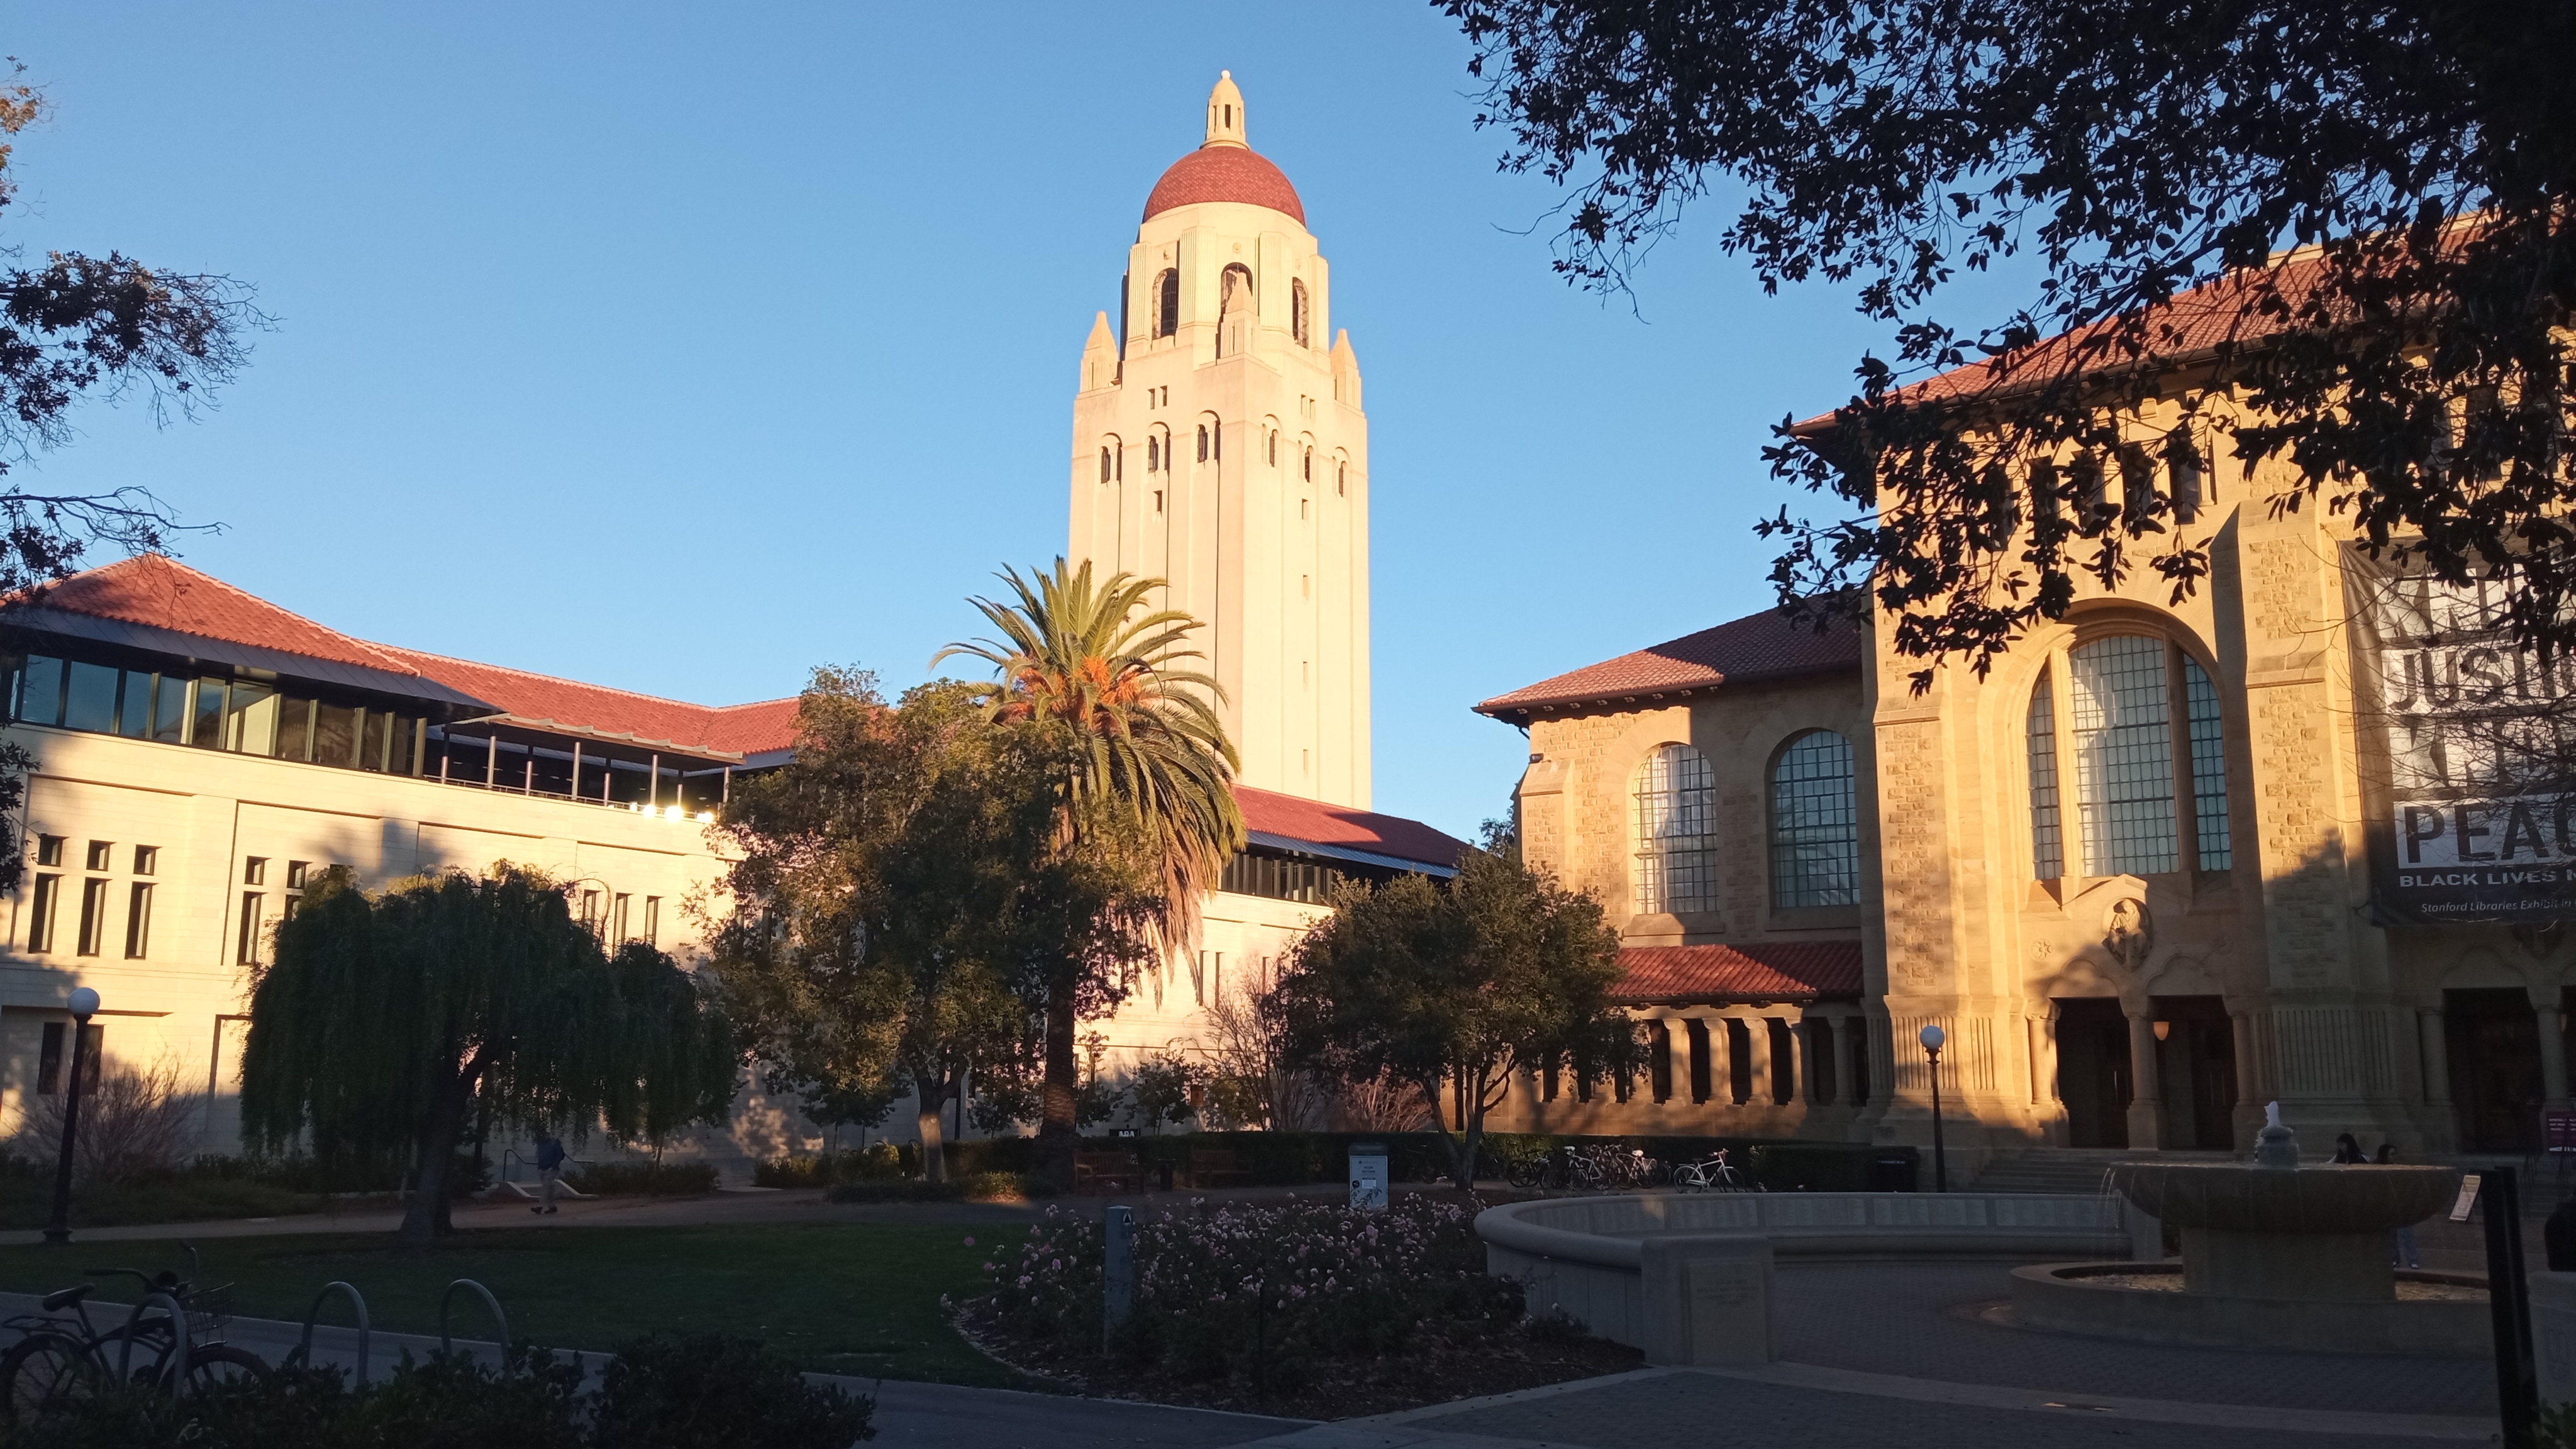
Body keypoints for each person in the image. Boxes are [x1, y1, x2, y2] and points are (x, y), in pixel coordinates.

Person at [2378, 1143, 2422, 1269]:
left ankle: (2413, 1260)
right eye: (2391, 1154)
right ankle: (2394, 1259)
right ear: (2385, 1155)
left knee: (2407, 1234)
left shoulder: (2399, 1169)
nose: (2394, 1157)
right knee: (2391, 1234)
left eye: (2395, 1154)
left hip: (2402, 1205)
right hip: (2389, 1205)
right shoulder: (2377, 1168)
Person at [533, 1135, 566, 1215]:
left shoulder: (554, 1143)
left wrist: (554, 1166)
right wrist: (540, 1166)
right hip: (542, 1168)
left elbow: (560, 1155)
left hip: (551, 1169)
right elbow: (540, 1155)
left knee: (546, 1187)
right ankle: (552, 1206)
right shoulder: (541, 1144)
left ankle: (540, 1206)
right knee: (549, 1188)